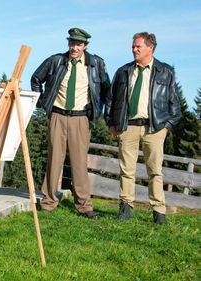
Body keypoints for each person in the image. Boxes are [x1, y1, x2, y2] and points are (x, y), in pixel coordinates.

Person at [30, 28, 111, 219]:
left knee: (79, 163)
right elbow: (35, 78)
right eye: (72, 43)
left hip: (81, 119)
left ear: (85, 46)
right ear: (68, 43)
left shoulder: (96, 64)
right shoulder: (56, 60)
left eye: (79, 44)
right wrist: (41, 101)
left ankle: (84, 206)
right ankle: (49, 202)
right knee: (54, 160)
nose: (74, 47)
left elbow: (107, 91)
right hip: (57, 116)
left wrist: (99, 113)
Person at [105, 32, 181, 224]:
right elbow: (111, 100)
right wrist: (111, 123)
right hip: (127, 127)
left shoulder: (165, 72)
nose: (134, 49)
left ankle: (158, 212)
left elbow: (175, 105)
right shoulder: (123, 71)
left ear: (150, 47)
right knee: (126, 170)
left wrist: (166, 127)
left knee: (155, 171)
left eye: (138, 46)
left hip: (154, 129)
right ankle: (125, 208)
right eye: (133, 46)